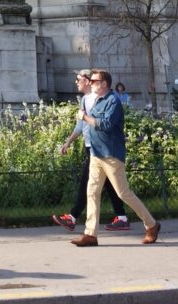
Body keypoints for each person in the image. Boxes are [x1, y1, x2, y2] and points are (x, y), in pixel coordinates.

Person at [70, 69, 161, 247]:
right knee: (92, 193)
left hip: (111, 154)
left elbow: (104, 125)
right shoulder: (96, 100)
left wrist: (84, 117)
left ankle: (151, 225)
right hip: (96, 154)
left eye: (94, 80)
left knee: (123, 193)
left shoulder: (113, 101)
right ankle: (90, 234)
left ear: (104, 84)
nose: (91, 82)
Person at [52, 70, 130, 232]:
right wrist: (68, 142)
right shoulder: (85, 100)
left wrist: (86, 119)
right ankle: (119, 219)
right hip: (92, 147)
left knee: (102, 188)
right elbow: (81, 125)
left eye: (79, 79)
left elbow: (104, 123)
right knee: (97, 188)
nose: (76, 82)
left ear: (89, 81)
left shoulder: (103, 98)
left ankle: (73, 218)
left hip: (103, 148)